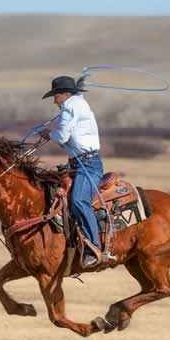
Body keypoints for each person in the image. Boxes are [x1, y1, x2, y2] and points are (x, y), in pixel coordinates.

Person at [39, 75, 104, 267]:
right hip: (80, 162)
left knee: (78, 200)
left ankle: (94, 248)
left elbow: (62, 136)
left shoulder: (69, 107)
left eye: (56, 95)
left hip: (87, 165)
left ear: (65, 94)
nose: (54, 100)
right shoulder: (78, 102)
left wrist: (48, 134)